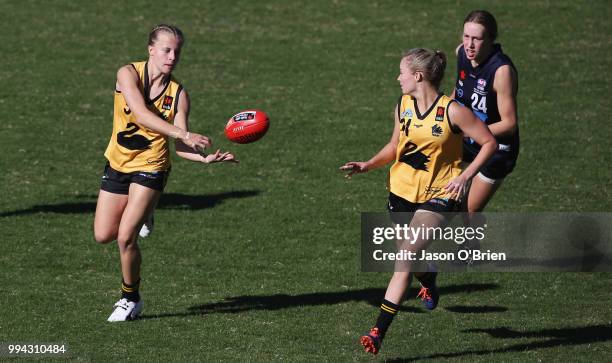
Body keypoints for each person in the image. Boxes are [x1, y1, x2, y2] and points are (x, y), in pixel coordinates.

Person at [340, 48, 497, 354]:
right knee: (409, 257)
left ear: (418, 76)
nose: (398, 78)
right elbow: (395, 145)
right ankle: (429, 276)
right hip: (401, 193)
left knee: (406, 254)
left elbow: (489, 142)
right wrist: (368, 164)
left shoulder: (453, 111)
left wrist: (465, 177)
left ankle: (377, 332)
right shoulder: (402, 105)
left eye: (402, 72)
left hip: (440, 195)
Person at [93, 24, 237, 322]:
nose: (172, 56)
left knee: (125, 238)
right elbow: (142, 113)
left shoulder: (178, 94)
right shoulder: (128, 74)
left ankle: (129, 298)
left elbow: (180, 142)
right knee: (103, 235)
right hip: (118, 162)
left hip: (152, 167)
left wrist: (203, 158)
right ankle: (147, 211)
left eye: (177, 52)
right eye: (166, 50)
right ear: (151, 50)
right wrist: (182, 135)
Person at [452, 10, 519, 221]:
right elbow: (460, 91)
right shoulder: (461, 53)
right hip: (468, 139)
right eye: (466, 36)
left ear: (490, 39)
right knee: (444, 196)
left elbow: (510, 124)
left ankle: (469, 253)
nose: (470, 45)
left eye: (477, 39)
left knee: (468, 210)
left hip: (496, 149)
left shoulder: (501, 71)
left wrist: (473, 132)